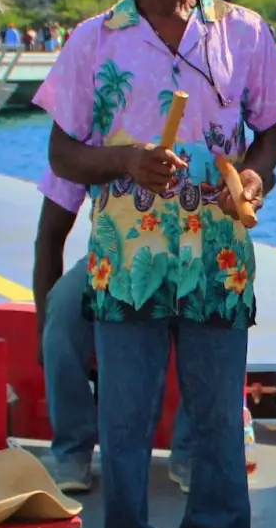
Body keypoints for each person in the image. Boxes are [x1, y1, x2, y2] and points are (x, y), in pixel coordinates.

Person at [35, 0, 276, 528]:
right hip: (130, 262)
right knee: (124, 421)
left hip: (217, 256)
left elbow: (272, 126)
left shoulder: (243, 31)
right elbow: (62, 150)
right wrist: (124, 162)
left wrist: (255, 172)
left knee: (216, 421)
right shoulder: (95, 38)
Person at [31, 178, 190, 495]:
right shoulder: (86, 135)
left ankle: (192, 451)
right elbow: (49, 236)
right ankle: (71, 450)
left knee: (211, 317)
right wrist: (42, 329)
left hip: (188, 256)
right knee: (64, 309)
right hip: (110, 257)